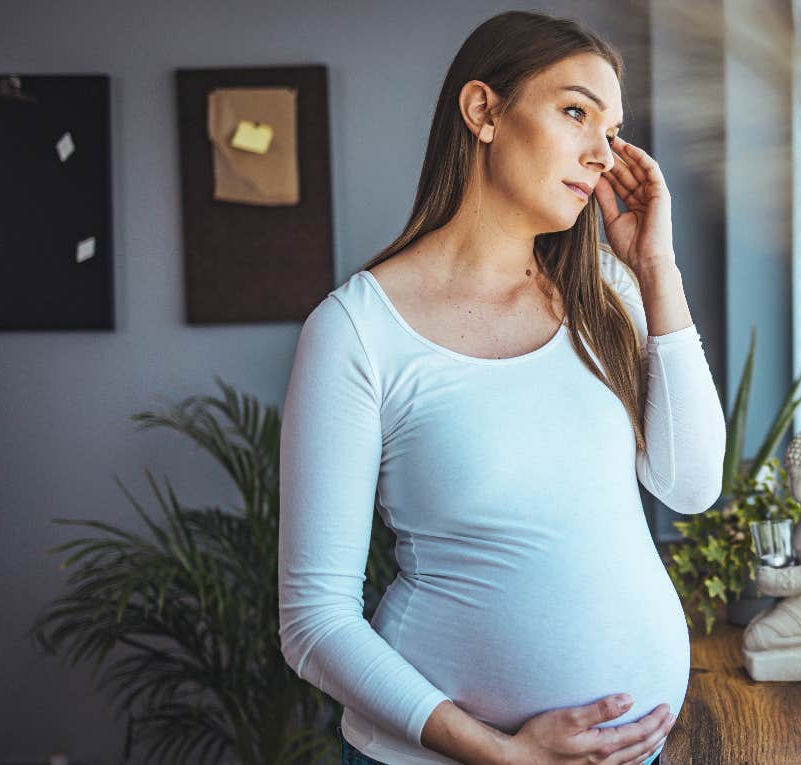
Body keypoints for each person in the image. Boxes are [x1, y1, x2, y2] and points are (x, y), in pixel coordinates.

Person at [277, 10, 726, 765]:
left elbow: (691, 484)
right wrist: (497, 751)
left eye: (613, 129)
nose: (602, 153)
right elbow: (314, 620)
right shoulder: (357, 330)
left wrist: (657, 270)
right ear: (483, 111)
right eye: (575, 111)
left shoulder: (607, 293)